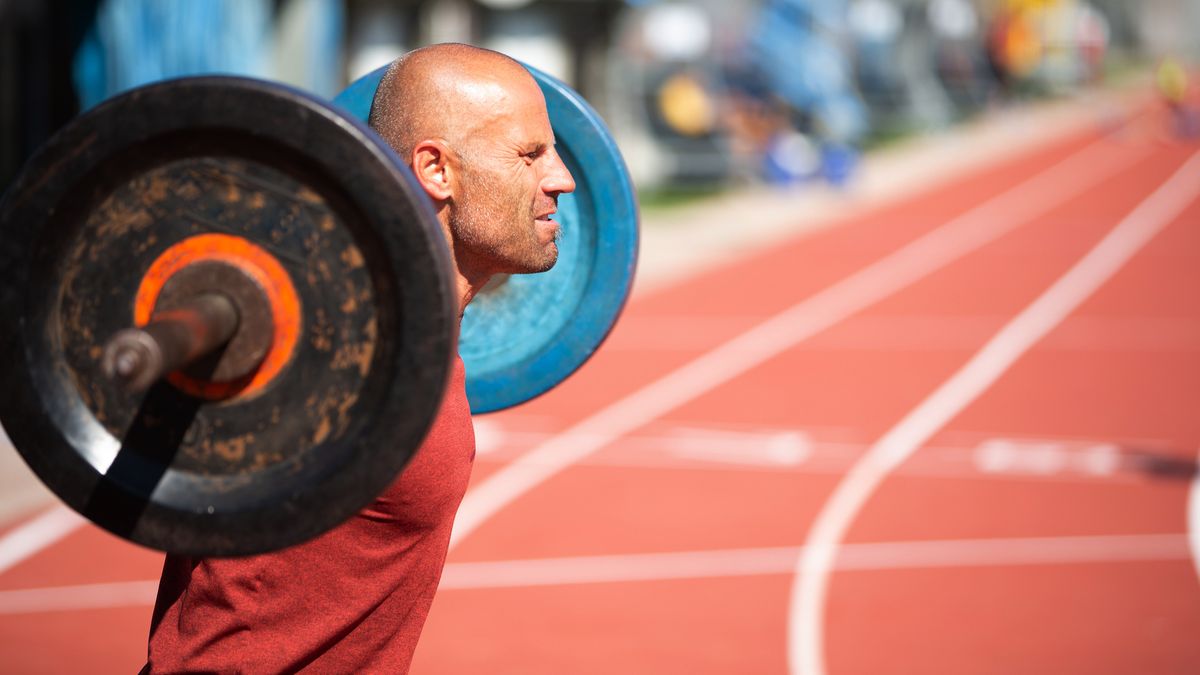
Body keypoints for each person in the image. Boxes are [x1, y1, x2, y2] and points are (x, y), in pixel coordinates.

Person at [142, 43, 576, 673]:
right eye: (530, 154)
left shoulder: (421, 325)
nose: (562, 176)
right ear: (436, 170)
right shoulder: (333, 332)